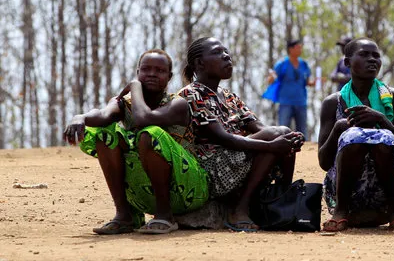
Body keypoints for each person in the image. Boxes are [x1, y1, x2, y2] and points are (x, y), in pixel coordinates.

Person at [127, 37, 304, 232]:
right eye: (218, 53)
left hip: (240, 156)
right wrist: (271, 145)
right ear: (200, 63)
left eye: (226, 52)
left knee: (285, 134)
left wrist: (289, 138)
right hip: (213, 167)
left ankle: (280, 200)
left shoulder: (228, 95)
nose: (227, 56)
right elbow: (224, 138)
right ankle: (240, 209)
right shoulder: (191, 94)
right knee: (276, 136)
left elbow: (259, 127)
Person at [63, 49, 210, 235]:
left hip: (188, 190)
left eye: (159, 71)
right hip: (144, 193)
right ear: (138, 71)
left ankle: (165, 215)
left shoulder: (177, 104)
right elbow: (102, 115)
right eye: (146, 69)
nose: (151, 74)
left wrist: (133, 86)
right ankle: (125, 216)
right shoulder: (125, 103)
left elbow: (144, 119)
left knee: (150, 134)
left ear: (169, 77)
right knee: (104, 135)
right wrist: (80, 117)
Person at [318, 38, 394, 232]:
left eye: (376, 56)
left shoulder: (393, 97)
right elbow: (324, 162)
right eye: (364, 54)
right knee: (353, 137)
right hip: (349, 192)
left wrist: (382, 120)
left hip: (389, 192)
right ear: (347, 62)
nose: (372, 60)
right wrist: (338, 129)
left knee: (384, 139)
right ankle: (341, 211)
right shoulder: (333, 103)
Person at [266, 39, 314, 140]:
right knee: (283, 130)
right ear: (291, 49)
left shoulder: (304, 64)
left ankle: (304, 152)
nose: (300, 50)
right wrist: (271, 77)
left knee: (302, 130)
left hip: (301, 102)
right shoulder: (282, 64)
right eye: (298, 47)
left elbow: (308, 82)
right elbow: (271, 80)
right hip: (285, 102)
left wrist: (315, 83)